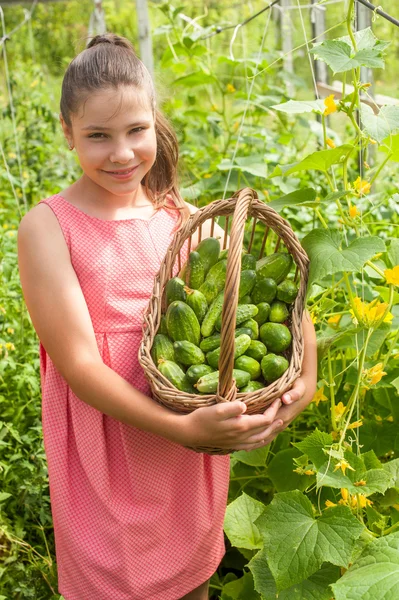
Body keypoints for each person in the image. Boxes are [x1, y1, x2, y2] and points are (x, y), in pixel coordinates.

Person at [17, 33, 317, 600]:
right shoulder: (49, 227)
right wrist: (183, 428)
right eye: (97, 137)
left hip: (184, 453)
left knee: (189, 578)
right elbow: (79, 363)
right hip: (112, 447)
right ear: (66, 132)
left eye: (136, 130)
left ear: (154, 121)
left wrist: (307, 375)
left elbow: (263, 289)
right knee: (114, 582)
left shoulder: (183, 218)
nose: (122, 153)